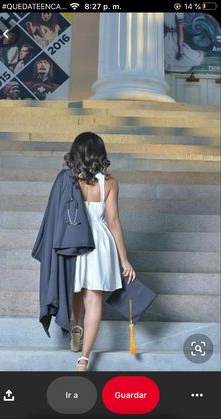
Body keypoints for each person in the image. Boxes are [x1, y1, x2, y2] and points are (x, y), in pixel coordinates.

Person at [64, 132, 136, 371]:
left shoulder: (69, 180)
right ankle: (84, 358)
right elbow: (114, 222)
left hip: (74, 240)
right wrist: (124, 260)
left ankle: (76, 324)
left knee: (75, 289)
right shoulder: (110, 183)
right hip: (99, 243)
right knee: (94, 300)